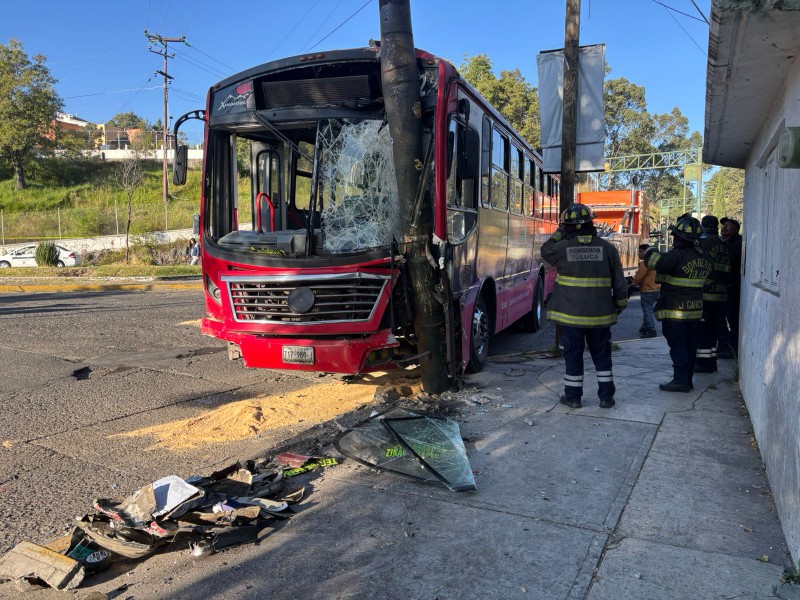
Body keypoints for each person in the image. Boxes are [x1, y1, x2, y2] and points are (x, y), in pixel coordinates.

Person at [541, 203, 628, 409]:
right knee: (602, 356)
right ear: (592, 223)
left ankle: (573, 398)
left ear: (567, 227)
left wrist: (558, 233)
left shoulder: (562, 248)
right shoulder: (607, 248)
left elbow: (545, 250)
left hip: (571, 317)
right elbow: (619, 281)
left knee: (573, 356)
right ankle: (606, 397)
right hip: (600, 316)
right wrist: (620, 304)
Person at [644, 216, 713, 392]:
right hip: (695, 311)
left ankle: (680, 381)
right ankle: (687, 379)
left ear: (680, 237)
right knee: (690, 346)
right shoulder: (705, 257)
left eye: (675, 235)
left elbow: (654, 262)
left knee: (678, 346)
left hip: (676, 311)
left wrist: (650, 248)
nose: (673, 239)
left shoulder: (676, 255)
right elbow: (708, 281)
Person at [695, 215, 731, 373]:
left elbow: (699, 267)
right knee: (714, 332)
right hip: (721, 294)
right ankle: (712, 362)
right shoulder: (723, 243)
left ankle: (703, 364)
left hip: (706, 294)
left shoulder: (703, 243)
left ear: (703, 226)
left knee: (703, 331)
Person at [718, 217, 742, 358]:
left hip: (733, 288)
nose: (724, 228)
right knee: (721, 320)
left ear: (735, 230)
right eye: (723, 225)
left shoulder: (737, 244)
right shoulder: (723, 243)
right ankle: (724, 346)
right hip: (724, 289)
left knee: (733, 320)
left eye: (728, 226)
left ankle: (732, 349)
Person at [630, 243, 660, 338]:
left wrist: (633, 284)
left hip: (647, 289)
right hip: (656, 289)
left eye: (641, 251)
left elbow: (639, 276)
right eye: (638, 251)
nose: (639, 253)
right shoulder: (656, 261)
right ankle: (644, 327)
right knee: (648, 309)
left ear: (646, 252)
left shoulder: (645, 262)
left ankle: (651, 330)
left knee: (647, 310)